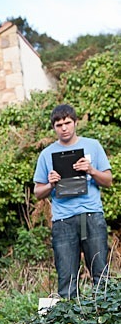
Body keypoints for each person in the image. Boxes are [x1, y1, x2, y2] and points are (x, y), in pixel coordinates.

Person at [34, 103, 113, 299]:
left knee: (100, 273)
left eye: (67, 123)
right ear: (54, 128)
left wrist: (91, 170)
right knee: (66, 278)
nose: (64, 128)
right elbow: (37, 192)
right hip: (63, 220)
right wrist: (51, 184)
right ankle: (70, 317)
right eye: (59, 125)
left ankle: (104, 314)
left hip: (90, 215)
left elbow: (108, 181)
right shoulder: (46, 154)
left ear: (76, 123)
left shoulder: (93, 146)